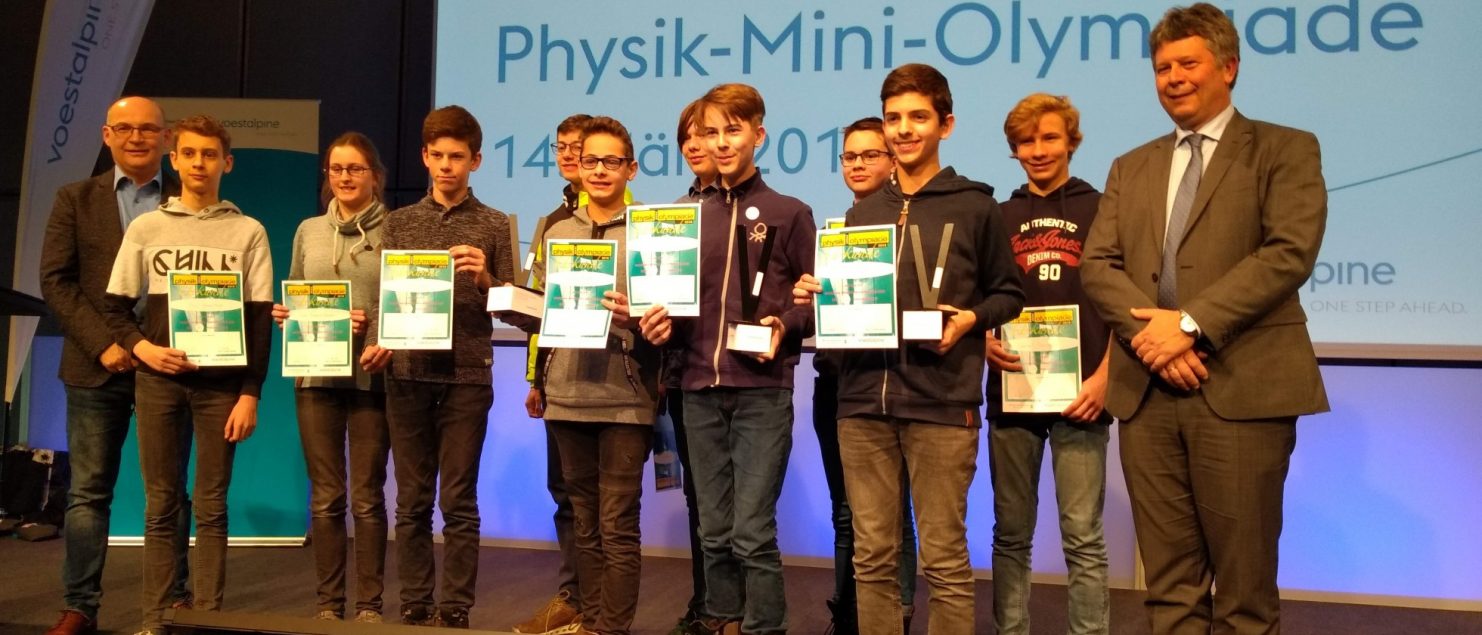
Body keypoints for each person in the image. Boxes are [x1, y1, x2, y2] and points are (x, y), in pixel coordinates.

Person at [1081, 4, 1329, 633]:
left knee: (1244, 596)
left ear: (1229, 67)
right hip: (1146, 393)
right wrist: (1153, 337)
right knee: (1169, 592)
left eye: (1187, 63)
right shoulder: (1130, 165)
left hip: (1241, 391)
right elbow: (1098, 265)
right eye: (1162, 67)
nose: (1173, 78)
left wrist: (1188, 324)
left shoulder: (1285, 148)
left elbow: (1289, 252)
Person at [794, 63, 1024, 635]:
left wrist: (971, 319)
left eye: (918, 117)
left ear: (946, 124)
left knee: (944, 561)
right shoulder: (861, 214)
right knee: (872, 558)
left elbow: (1008, 294)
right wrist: (818, 296)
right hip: (861, 404)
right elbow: (851, 303)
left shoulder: (976, 206)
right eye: (893, 117)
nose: (903, 129)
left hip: (941, 403)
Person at [639, 83, 815, 635]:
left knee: (751, 532)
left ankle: (764, 627)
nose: (720, 142)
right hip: (696, 388)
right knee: (713, 531)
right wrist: (652, 325)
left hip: (762, 390)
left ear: (758, 135)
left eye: (732, 130)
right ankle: (722, 620)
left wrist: (787, 323)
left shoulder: (791, 213)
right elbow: (665, 307)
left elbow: (817, 303)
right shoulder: (680, 217)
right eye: (710, 132)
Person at [100, 114, 274, 635]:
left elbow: (259, 321)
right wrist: (143, 350)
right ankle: (156, 621)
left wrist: (250, 393)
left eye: (210, 154)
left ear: (227, 163)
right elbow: (114, 308)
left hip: (222, 390)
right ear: (174, 160)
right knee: (161, 504)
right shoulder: (146, 228)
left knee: (213, 507)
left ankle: (206, 621)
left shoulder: (249, 231)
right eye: (190, 154)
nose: (200, 163)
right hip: (159, 384)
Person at [39, 96, 194, 635]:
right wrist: (105, 342)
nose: (136, 137)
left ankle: (175, 602)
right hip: (96, 365)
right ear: (107, 136)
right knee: (88, 493)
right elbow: (56, 281)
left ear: (166, 138)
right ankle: (80, 606)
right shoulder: (75, 198)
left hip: (167, 365)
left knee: (170, 492)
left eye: (147, 129)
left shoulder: (189, 200)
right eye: (124, 128)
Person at [360, 105, 514, 628]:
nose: (447, 166)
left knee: (458, 499)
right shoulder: (400, 222)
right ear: (425, 157)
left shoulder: (494, 223)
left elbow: (512, 305)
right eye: (438, 156)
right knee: (411, 500)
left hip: (468, 375)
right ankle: (415, 600)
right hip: (407, 374)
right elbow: (384, 295)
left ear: (476, 160)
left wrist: (487, 279)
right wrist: (378, 341)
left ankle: (455, 607)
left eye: (458, 157)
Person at [505, 115, 660, 635]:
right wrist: (509, 302)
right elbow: (540, 313)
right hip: (566, 395)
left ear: (631, 168)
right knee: (585, 523)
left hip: (625, 397)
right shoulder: (556, 231)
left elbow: (672, 316)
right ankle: (589, 621)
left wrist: (637, 317)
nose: (598, 170)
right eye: (590, 160)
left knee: (617, 525)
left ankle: (610, 628)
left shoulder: (650, 233)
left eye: (611, 161)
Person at [985, 93, 1111, 635]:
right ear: (1014, 149)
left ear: (1071, 142)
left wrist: (1107, 379)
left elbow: (1125, 303)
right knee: (1011, 534)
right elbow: (978, 296)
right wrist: (982, 339)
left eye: (1049, 138)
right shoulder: (997, 216)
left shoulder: (1104, 208)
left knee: (1083, 536)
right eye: (1026, 141)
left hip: (1084, 395)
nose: (1038, 150)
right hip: (1012, 392)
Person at [271, 132, 392, 623]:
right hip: (316, 376)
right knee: (325, 498)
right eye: (336, 169)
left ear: (375, 176)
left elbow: (404, 300)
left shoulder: (395, 230)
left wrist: (372, 325)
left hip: (371, 378)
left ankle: (369, 606)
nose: (344, 177)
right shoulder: (308, 230)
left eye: (355, 168)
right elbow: (299, 292)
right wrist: (287, 315)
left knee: (366, 498)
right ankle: (328, 605)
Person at [814, 116, 920, 634]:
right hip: (837, 383)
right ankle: (848, 615)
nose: (857, 164)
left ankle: (897, 615)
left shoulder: (910, 230)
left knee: (892, 515)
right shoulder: (835, 233)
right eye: (849, 156)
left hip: (894, 381)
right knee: (844, 511)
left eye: (870, 154)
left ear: (893, 160)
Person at [515, 112, 590, 635]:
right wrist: (535, 378)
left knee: (603, 503)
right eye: (561, 147)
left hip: (610, 379)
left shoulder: (632, 214)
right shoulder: (549, 222)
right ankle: (572, 598)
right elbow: (541, 305)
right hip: (557, 376)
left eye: (577, 147)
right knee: (563, 493)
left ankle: (599, 606)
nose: (568, 155)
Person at [664, 97, 719, 635]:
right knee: (698, 498)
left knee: (745, 509)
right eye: (688, 136)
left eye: (706, 133)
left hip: (743, 375)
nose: (696, 144)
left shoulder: (758, 209)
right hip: (685, 373)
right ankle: (706, 604)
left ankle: (738, 612)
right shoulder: (673, 215)